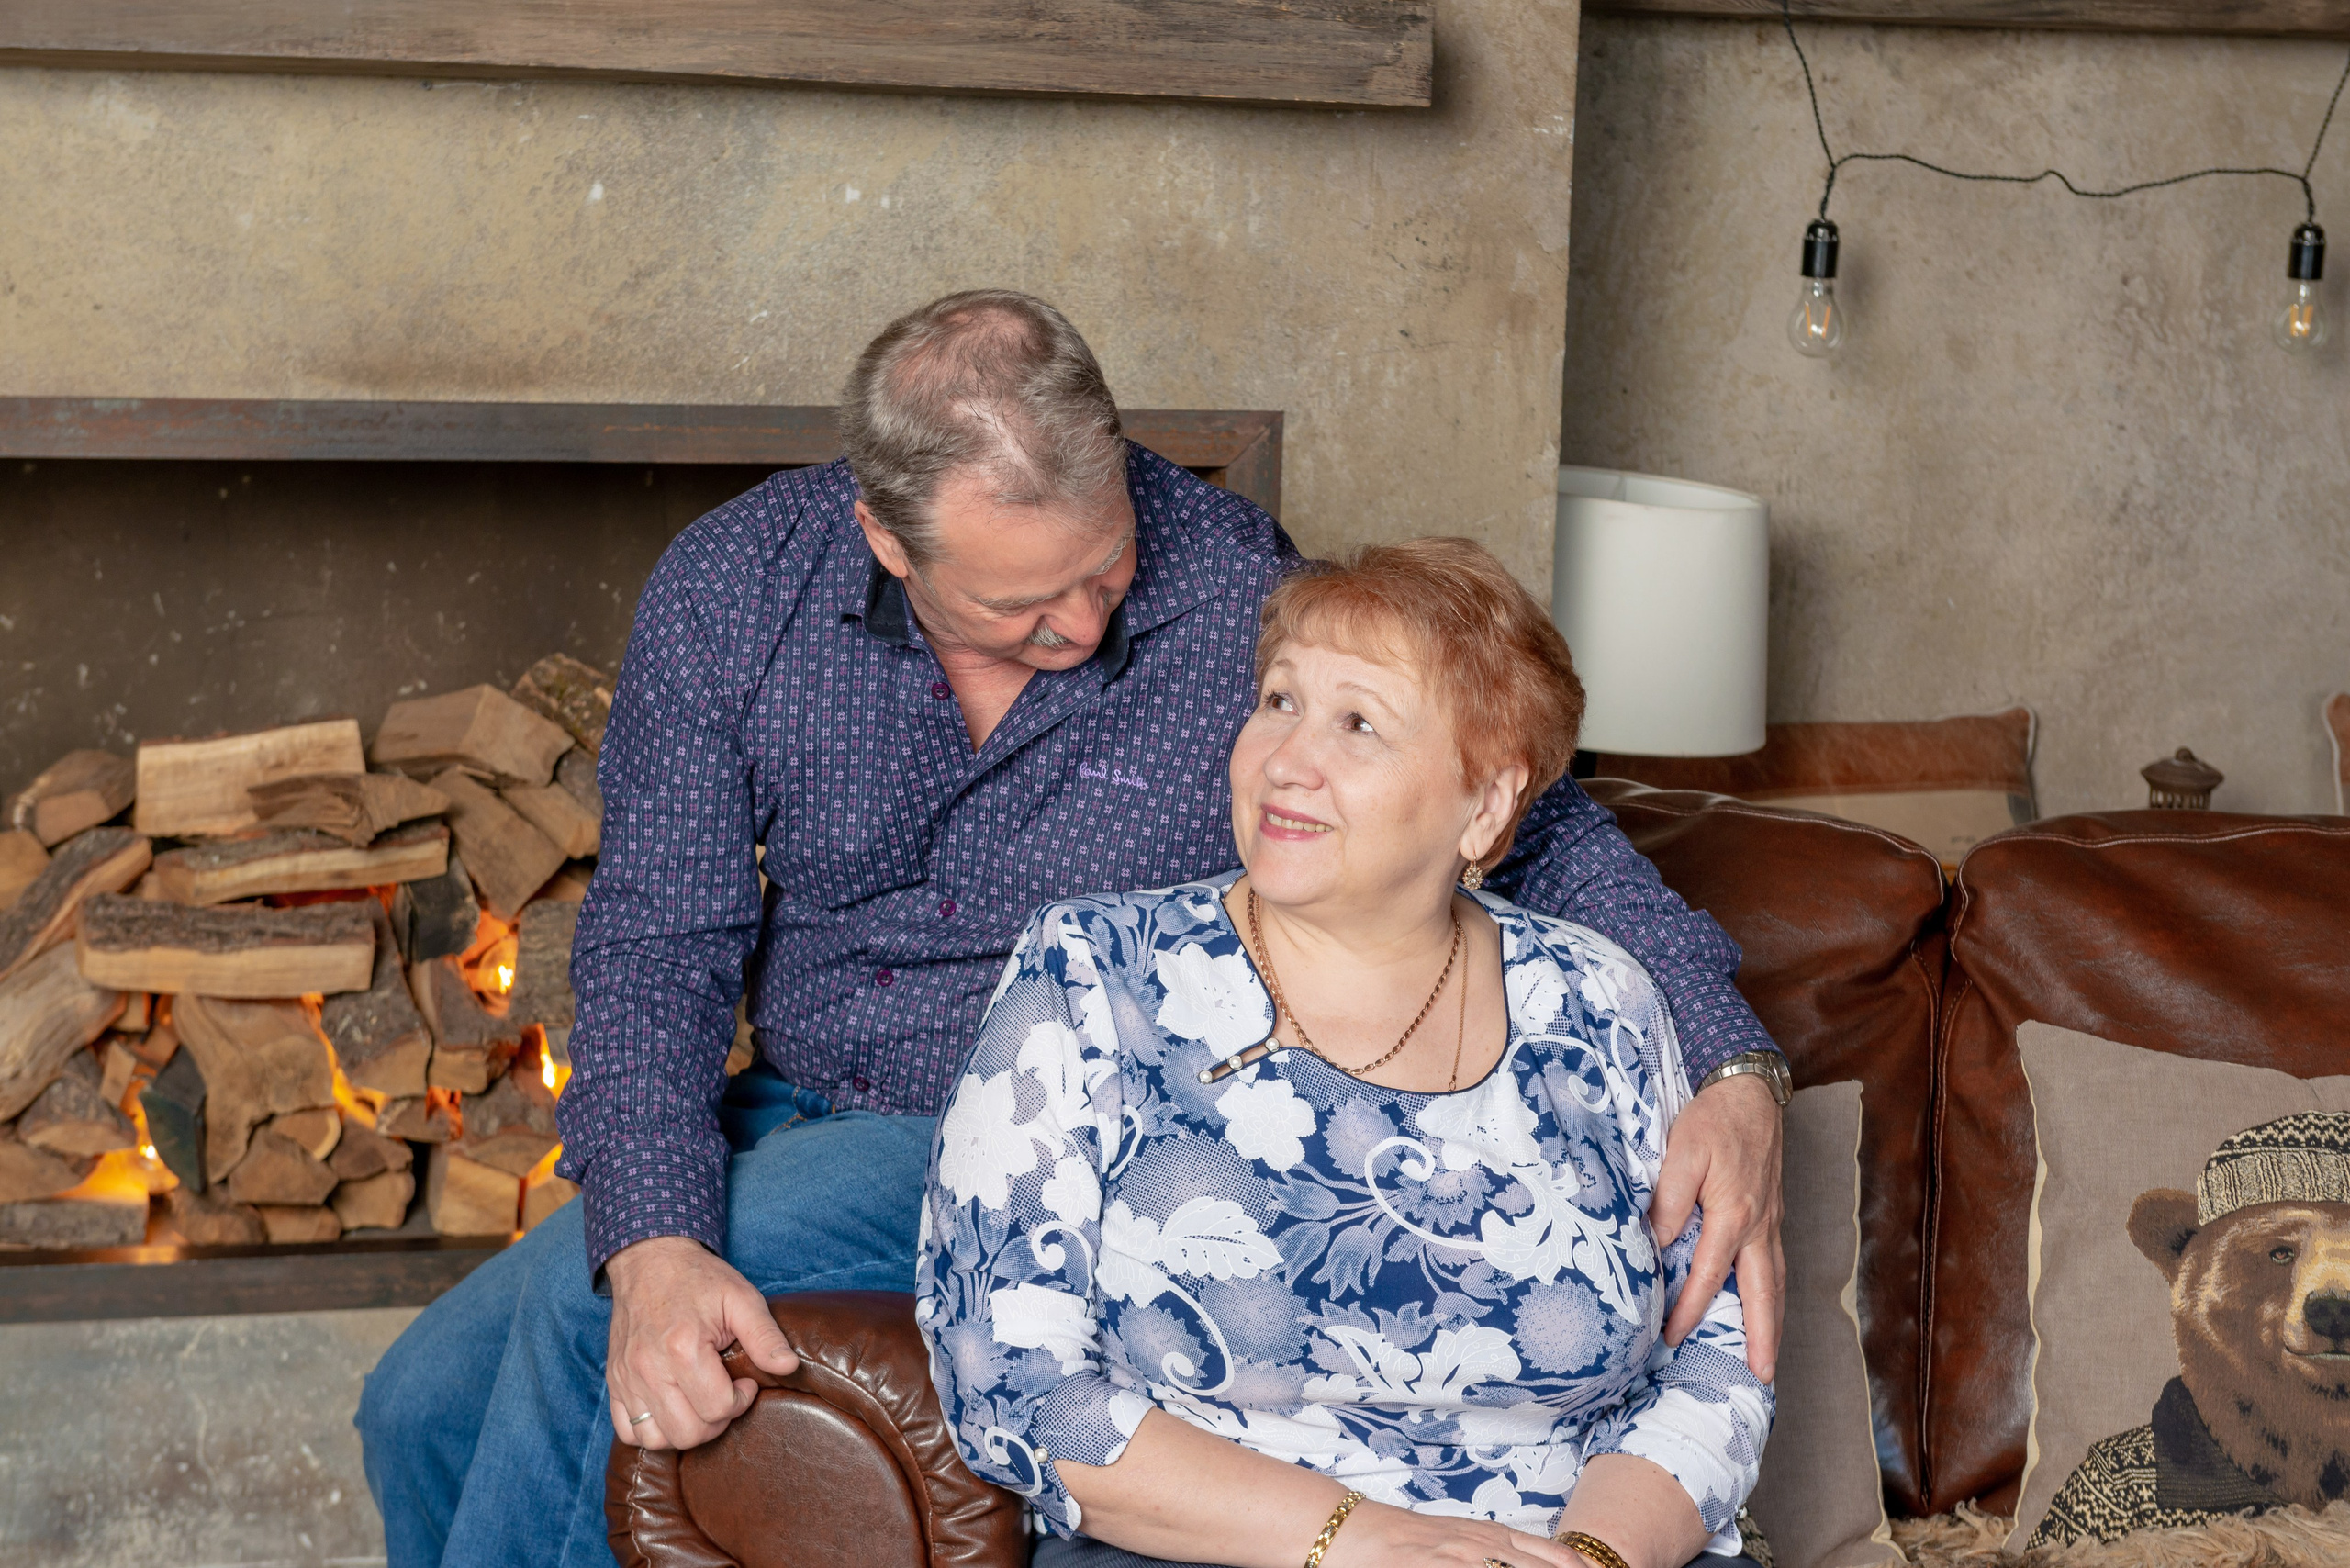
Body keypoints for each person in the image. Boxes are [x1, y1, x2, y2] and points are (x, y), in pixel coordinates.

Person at [356, 290, 1789, 1568]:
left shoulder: (1228, 579)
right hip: (790, 1098)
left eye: (1103, 572)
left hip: (1034, 1112)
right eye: (1022, 606)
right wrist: (659, 1234)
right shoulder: (738, 589)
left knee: (572, 1317)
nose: (1086, 626)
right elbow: (656, 941)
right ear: (883, 535)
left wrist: (1731, 1071)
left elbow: (1525, 812)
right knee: (412, 1405)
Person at [919, 539, 1770, 1568]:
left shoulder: (1597, 998)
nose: (1285, 758)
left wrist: (1592, 1557)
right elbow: (1006, 1379)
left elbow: (1716, 1362)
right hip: (1212, 1551)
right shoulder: (1093, 973)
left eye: (1357, 722)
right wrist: (1363, 1541)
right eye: (1278, 701)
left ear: (1488, 803)